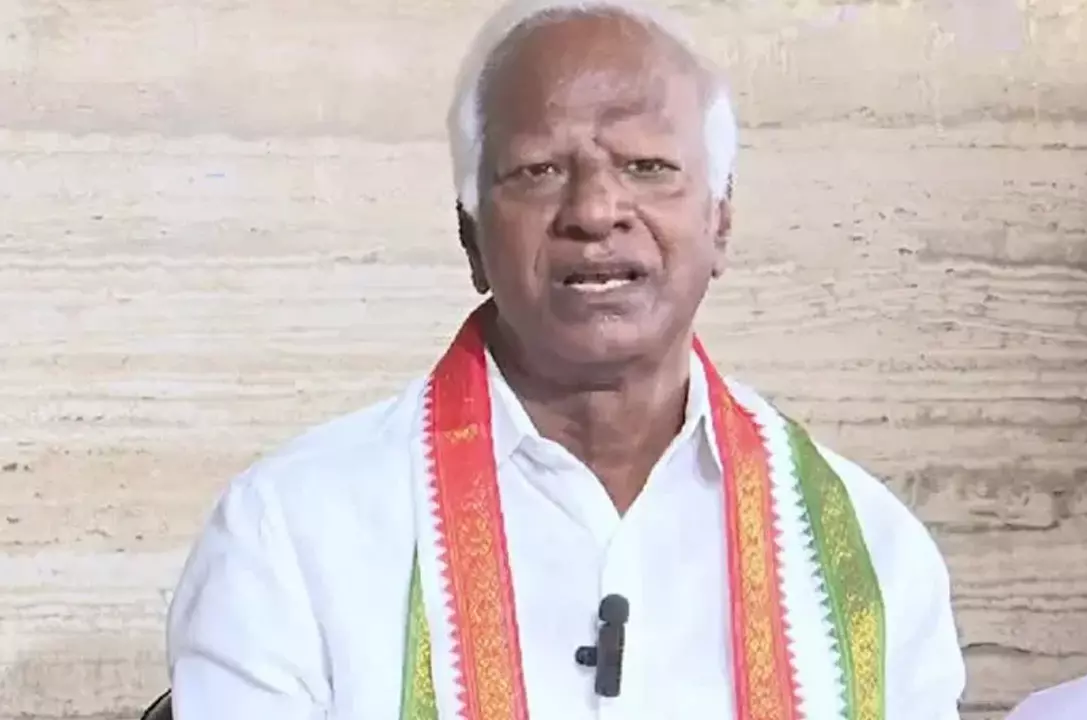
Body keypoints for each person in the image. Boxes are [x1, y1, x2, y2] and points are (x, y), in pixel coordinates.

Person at [165, 0, 967, 717]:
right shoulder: (292, 534)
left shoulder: (869, 552)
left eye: (648, 167)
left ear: (720, 222)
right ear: (471, 237)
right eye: (539, 171)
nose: (595, 210)